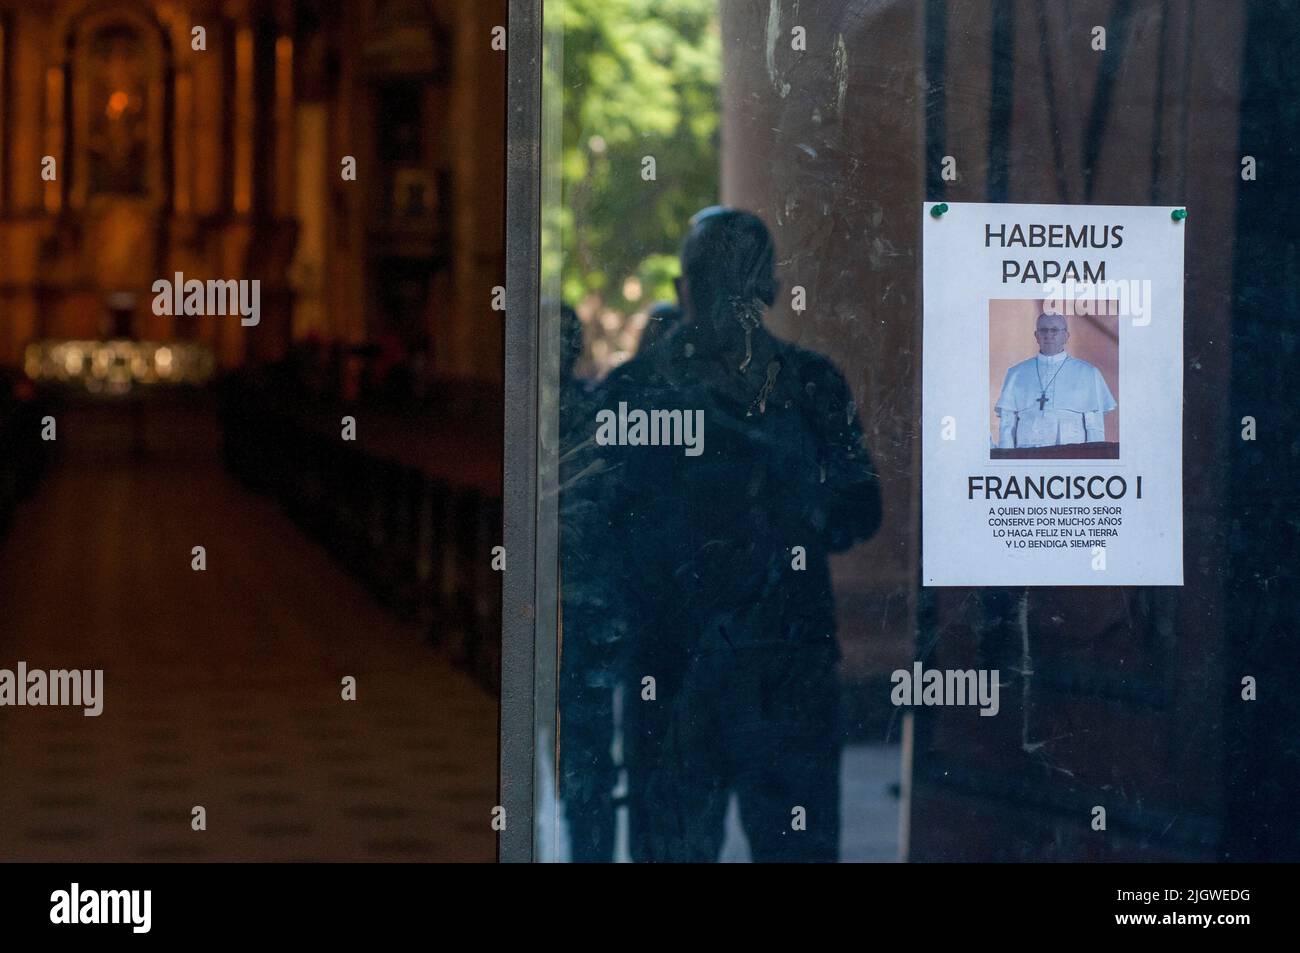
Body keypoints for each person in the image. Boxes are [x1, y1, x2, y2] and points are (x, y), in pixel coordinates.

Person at [600, 207, 881, 862]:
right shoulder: (639, 393)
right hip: (707, 678)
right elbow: (596, 540)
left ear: (680, 288)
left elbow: (859, 510)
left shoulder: (641, 390)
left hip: (755, 676)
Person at [994, 313, 1117, 449]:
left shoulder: (1088, 373)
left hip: (1071, 455)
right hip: (1027, 454)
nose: (1048, 335)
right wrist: (1005, 457)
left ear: (1066, 336)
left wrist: (1095, 459)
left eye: (1055, 330)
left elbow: (1094, 425)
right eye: (1043, 330)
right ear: (1036, 336)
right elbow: (1007, 424)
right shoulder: (1016, 373)